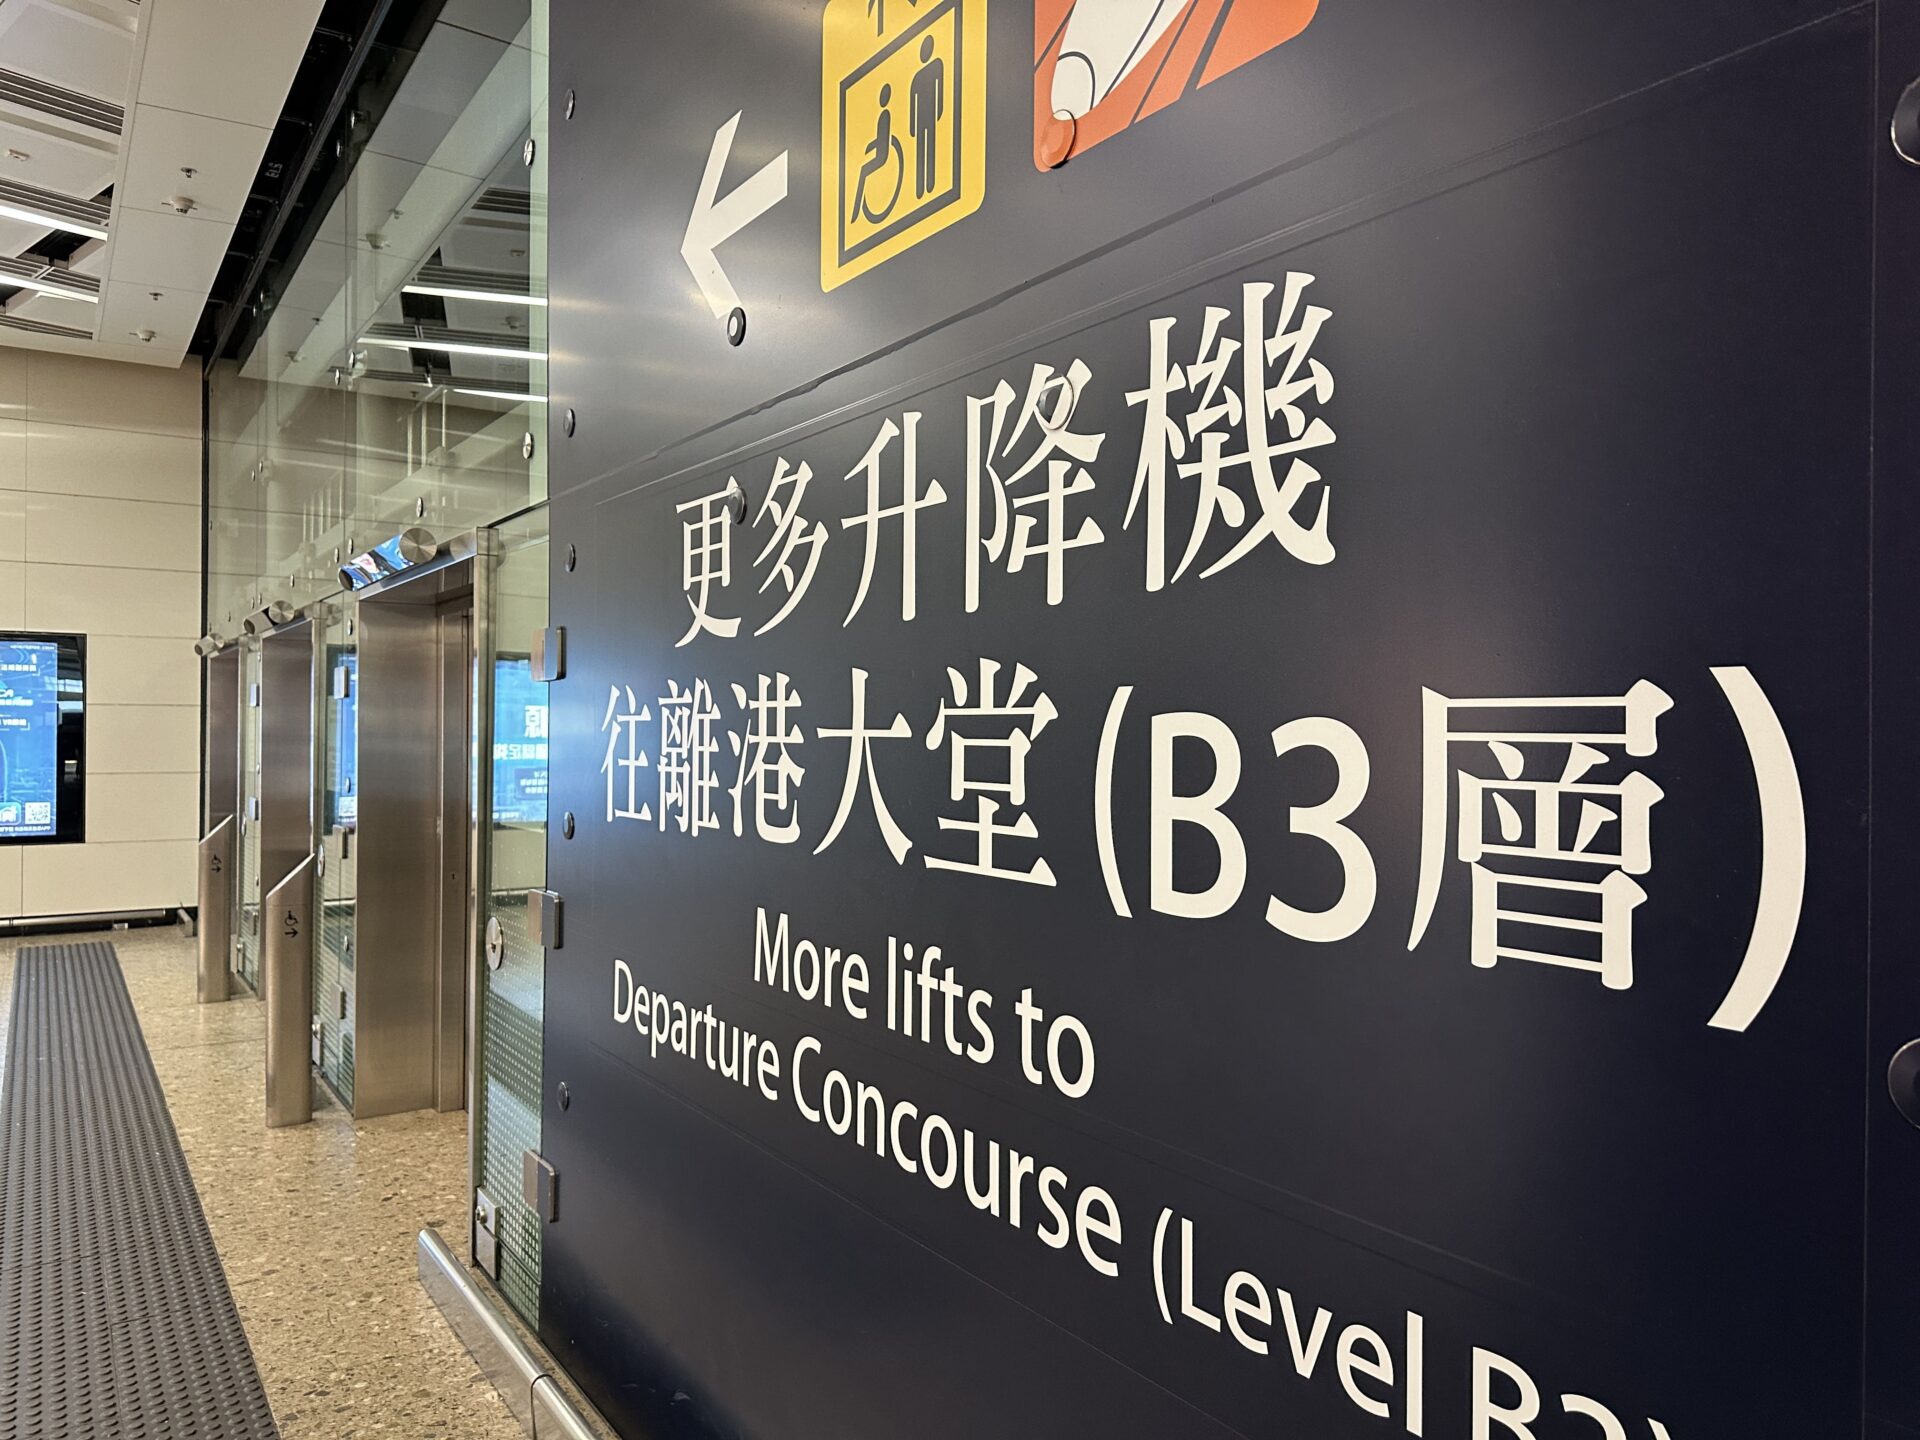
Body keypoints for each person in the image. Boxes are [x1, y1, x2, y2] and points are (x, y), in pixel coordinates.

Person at [851, 83, 905, 224]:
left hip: (882, 156)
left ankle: (855, 210)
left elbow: (885, 138)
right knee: (863, 171)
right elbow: (881, 137)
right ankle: (856, 209)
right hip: (880, 152)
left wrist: (873, 146)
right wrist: (871, 145)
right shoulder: (882, 115)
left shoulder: (885, 115)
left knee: (864, 172)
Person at [910, 35, 945, 198]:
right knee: (920, 151)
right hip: (921, 118)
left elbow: (939, 90)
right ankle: (920, 188)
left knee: (930, 147)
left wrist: (938, 112)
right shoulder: (917, 76)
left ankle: (930, 184)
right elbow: (913, 99)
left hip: (929, 115)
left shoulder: (936, 66)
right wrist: (912, 126)